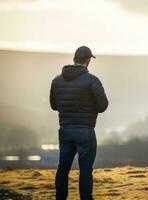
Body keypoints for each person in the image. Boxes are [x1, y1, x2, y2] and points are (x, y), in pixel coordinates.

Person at [50, 46, 108, 200]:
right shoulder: (92, 81)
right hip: (85, 131)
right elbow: (103, 106)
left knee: (63, 168)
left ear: (74, 58)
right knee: (85, 170)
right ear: (88, 60)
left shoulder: (56, 80)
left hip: (65, 130)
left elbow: (54, 105)